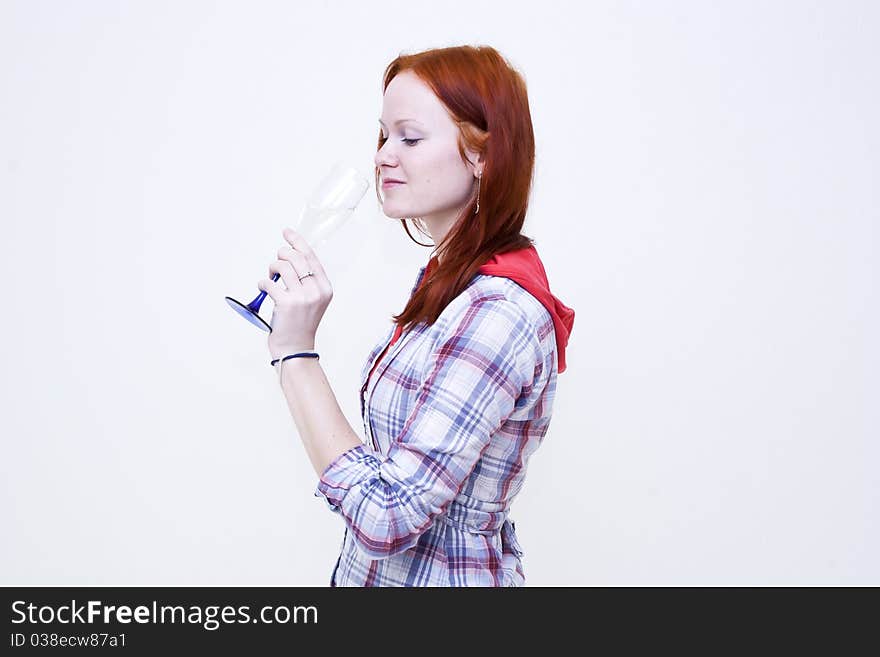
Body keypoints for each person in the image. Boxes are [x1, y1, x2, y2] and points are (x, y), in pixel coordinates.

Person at [257, 45, 575, 586]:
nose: (383, 155)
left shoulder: (499, 312)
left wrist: (297, 354)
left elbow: (386, 515)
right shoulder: (451, 281)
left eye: (410, 137)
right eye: (384, 135)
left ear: (480, 154)